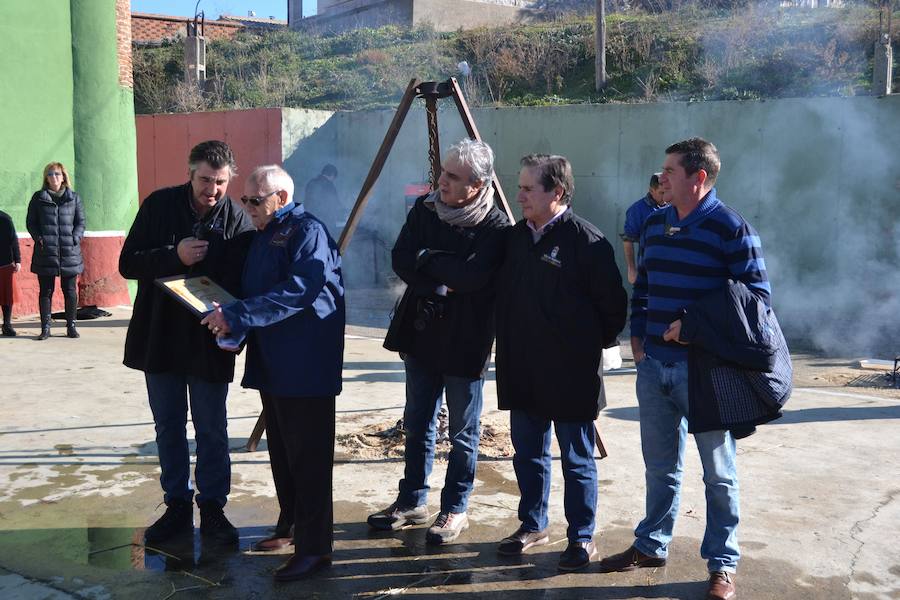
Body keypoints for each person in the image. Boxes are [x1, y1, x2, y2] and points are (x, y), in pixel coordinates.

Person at [599, 138, 770, 600]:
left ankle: (722, 565)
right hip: (654, 367)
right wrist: (638, 341)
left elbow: (757, 302)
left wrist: (692, 326)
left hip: (708, 373)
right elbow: (646, 288)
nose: (662, 178)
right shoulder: (654, 226)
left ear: (698, 177)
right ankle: (651, 545)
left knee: (719, 472)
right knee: (660, 468)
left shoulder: (731, 229)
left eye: (671, 171)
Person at [201, 165, 345, 581]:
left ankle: (316, 549)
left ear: (281, 197)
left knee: (310, 458)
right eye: (244, 200)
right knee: (283, 453)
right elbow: (257, 293)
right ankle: (292, 527)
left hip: (305, 365)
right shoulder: (265, 234)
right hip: (274, 362)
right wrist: (231, 320)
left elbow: (300, 290)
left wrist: (238, 314)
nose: (247, 209)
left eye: (254, 200)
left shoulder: (306, 232)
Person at [368, 138, 509, 544]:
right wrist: (441, 276)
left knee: (463, 432)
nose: (441, 182)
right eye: (442, 172)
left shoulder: (496, 228)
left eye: (452, 177)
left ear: (477, 186)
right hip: (422, 332)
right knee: (417, 423)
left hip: (467, 339)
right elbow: (401, 258)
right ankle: (411, 499)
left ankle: (455, 508)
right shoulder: (426, 208)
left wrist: (428, 257)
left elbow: (472, 279)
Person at [493, 154, 627, 572]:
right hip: (523, 368)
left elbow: (614, 310)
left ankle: (581, 537)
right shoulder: (516, 239)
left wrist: (581, 347)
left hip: (570, 372)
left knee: (576, 459)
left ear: (559, 193)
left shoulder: (586, 242)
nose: (520, 196)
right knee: (528, 454)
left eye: (530, 188)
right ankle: (532, 525)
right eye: (520, 187)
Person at [119, 140, 255, 547]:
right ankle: (177, 504)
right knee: (168, 425)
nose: (212, 190)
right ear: (189, 173)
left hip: (208, 339)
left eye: (220, 182)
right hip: (160, 334)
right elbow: (127, 264)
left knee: (212, 427)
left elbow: (245, 281)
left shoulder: (237, 220)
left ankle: (213, 507)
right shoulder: (159, 206)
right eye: (205, 180)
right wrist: (173, 254)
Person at [26, 162, 86, 340]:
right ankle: (45, 328)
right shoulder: (39, 198)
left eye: (57, 174)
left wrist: (75, 238)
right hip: (46, 252)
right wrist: (39, 238)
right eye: (50, 174)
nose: (54, 177)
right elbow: (31, 223)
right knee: (46, 291)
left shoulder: (73, 198)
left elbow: (80, 222)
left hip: (70, 251)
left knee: (69, 290)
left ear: (64, 176)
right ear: (46, 177)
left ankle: (71, 326)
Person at [621, 172, 667, 285]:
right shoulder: (637, 210)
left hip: (669, 271)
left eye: (667, 192)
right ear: (651, 191)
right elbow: (628, 239)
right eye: (661, 193)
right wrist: (631, 269)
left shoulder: (674, 208)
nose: (665, 197)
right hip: (647, 272)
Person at [304, 164, 346, 236]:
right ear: (332, 175)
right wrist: (342, 214)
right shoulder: (329, 185)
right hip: (324, 219)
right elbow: (334, 203)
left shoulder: (311, 182)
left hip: (309, 218)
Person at [0, 209, 21, 337]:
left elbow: (13, 240)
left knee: (7, 297)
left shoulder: (5, 218)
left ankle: (7, 324)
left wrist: (17, 260)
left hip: (5, 263)